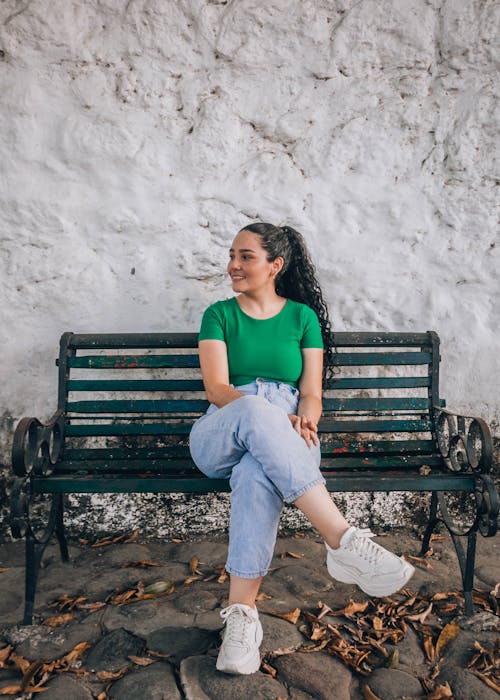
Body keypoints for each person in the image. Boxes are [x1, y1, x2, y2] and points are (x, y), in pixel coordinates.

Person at [189, 222, 414, 675]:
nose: (233, 265)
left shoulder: (302, 318)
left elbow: (311, 393)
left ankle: (241, 621)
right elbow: (216, 388)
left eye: (246, 256)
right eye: (232, 254)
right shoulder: (218, 314)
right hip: (223, 428)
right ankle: (341, 539)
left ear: (275, 265)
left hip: (291, 433)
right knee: (253, 410)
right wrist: (267, 413)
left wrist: (306, 418)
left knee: (256, 476)